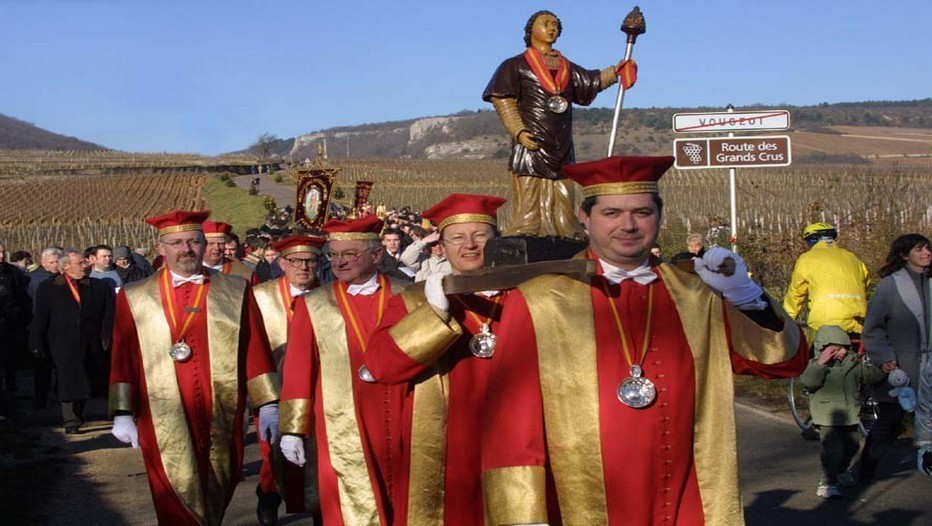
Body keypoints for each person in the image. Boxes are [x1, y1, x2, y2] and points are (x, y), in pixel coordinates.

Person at [479, 156, 808, 525]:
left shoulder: (697, 294)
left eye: (642, 212)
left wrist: (746, 295)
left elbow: (783, 363)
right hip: (581, 501)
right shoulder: (540, 299)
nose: (628, 225)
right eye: (612, 213)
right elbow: (510, 420)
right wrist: (521, 517)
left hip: (690, 498)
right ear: (585, 219)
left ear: (659, 217)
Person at [108, 210, 280, 526]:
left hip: (222, 405)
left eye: (193, 241)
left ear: (203, 245)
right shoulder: (134, 296)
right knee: (173, 491)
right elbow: (124, 354)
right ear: (161, 248)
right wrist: (121, 411)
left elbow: (253, 346)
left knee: (220, 483)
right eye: (176, 242)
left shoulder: (234, 289)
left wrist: (268, 403)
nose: (185, 249)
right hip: (162, 408)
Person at [364, 193, 507, 525]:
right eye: (458, 237)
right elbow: (380, 365)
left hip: (512, 444)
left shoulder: (527, 294)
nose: (470, 245)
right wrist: (433, 316)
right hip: (444, 447)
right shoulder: (414, 300)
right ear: (441, 244)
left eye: (481, 235)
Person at [278, 215, 409, 525]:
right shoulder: (314, 304)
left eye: (349, 254)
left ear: (377, 255)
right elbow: (299, 368)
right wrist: (292, 429)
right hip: (338, 420)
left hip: (403, 411)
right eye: (333, 254)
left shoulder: (407, 294)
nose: (338, 262)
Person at [483, 10, 636, 238]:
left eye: (555, 24)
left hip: (560, 138)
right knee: (530, 184)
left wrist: (616, 71)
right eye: (545, 23)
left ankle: (566, 228)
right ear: (531, 30)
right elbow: (503, 99)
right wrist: (519, 130)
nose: (551, 27)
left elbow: (590, 82)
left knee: (564, 186)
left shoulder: (566, 66)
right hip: (531, 137)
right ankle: (528, 227)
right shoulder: (515, 65)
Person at [252, 234, 326, 525]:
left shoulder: (330, 294)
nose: (304, 267)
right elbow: (252, 349)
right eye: (296, 261)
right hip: (276, 391)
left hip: (320, 392)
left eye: (310, 260)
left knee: (319, 456)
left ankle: (320, 511)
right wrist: (264, 400)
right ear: (282, 263)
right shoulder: (260, 297)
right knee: (274, 458)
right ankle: (268, 498)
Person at [861, 233, 932, 481]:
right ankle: (865, 469)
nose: (926, 253)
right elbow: (873, 328)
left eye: (928, 249)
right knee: (890, 423)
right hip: (902, 367)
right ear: (904, 255)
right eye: (919, 250)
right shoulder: (889, 287)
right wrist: (885, 357)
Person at [30, 249, 114, 432]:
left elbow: (108, 316)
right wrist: (36, 340)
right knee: (67, 378)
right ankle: (71, 420)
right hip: (61, 342)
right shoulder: (49, 287)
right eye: (80, 263)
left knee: (85, 377)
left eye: (85, 262)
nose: (86, 265)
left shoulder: (99, 288)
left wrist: (106, 336)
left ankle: (79, 411)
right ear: (65, 266)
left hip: (90, 341)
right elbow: (41, 317)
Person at [799, 325, 884, 498]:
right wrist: (821, 363)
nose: (842, 352)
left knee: (852, 446)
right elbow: (809, 381)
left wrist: (883, 370)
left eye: (844, 347)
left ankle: (841, 470)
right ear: (823, 349)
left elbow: (868, 376)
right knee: (832, 450)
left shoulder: (853, 363)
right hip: (827, 416)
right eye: (836, 349)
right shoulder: (815, 365)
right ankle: (827, 481)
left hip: (850, 414)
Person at [783, 222, 870, 338]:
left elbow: (796, 293)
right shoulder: (853, 258)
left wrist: (786, 319)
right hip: (858, 319)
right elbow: (866, 283)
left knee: (815, 353)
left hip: (825, 319)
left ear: (812, 240)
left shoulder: (807, 258)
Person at [27, 246, 63, 408]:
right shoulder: (35, 280)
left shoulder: (64, 278)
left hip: (60, 328)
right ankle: (40, 397)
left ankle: (60, 394)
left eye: (58, 261)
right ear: (43, 263)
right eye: (52, 262)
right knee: (42, 366)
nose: (56, 265)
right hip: (41, 326)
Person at [0, 240, 32, 403]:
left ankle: (11, 391)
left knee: (10, 360)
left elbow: (23, 297)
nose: (1, 256)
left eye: (3, 252)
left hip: (11, 323)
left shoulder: (12, 272)